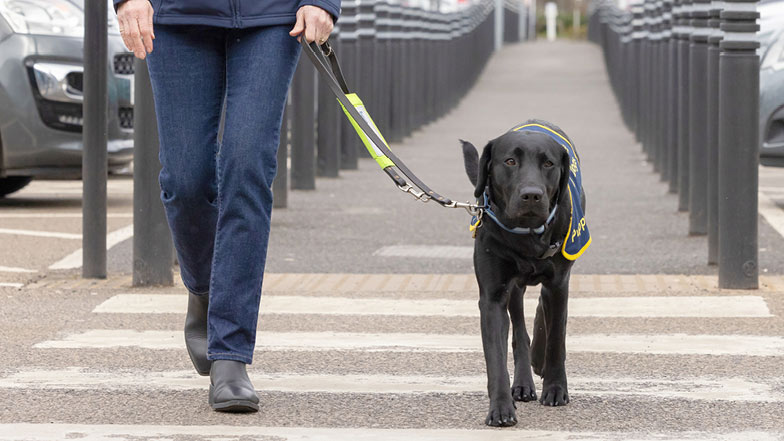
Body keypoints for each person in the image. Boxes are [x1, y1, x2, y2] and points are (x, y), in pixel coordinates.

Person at [114, 0, 339, 412]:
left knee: (247, 167)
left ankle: (230, 354)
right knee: (185, 179)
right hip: (177, 16)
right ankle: (204, 290)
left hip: (271, 19)